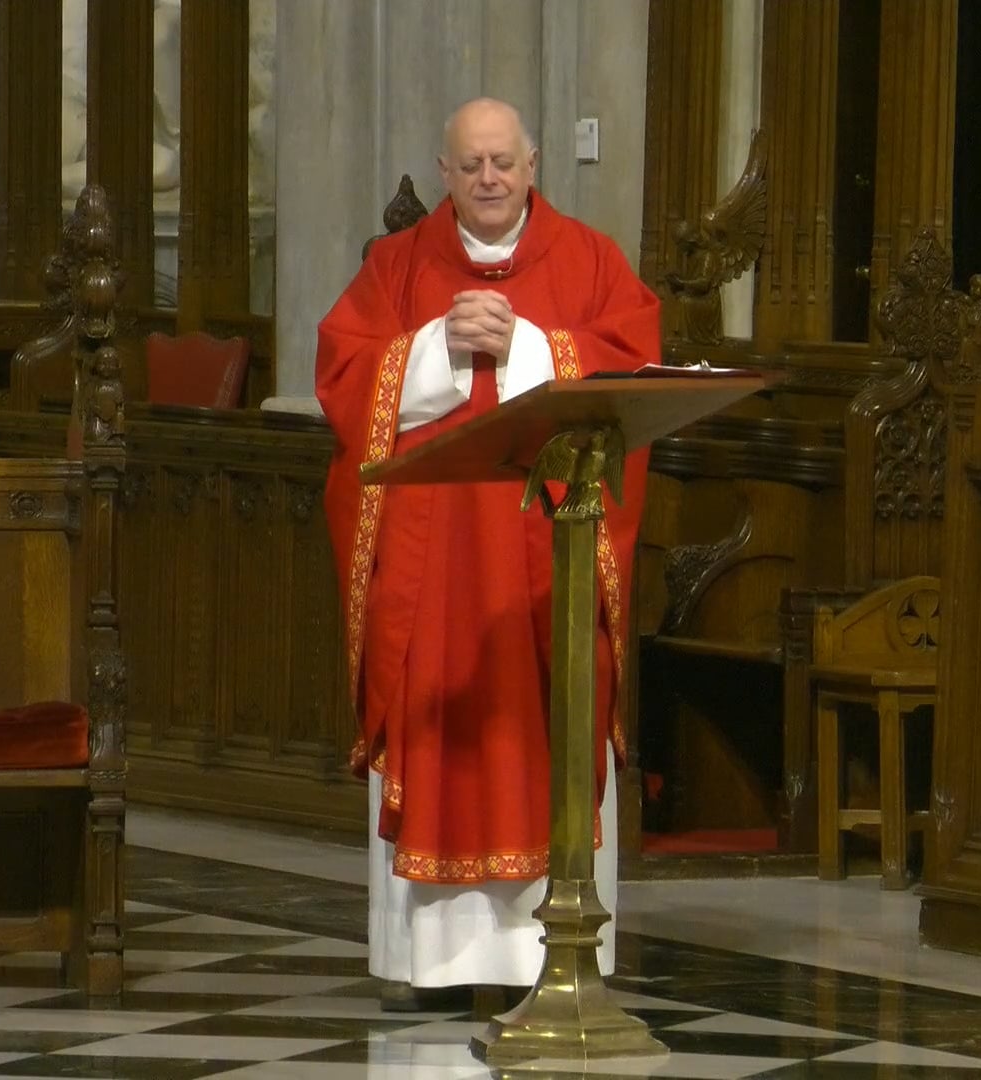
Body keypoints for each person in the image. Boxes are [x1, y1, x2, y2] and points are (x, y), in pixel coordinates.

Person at [315, 98, 661, 1007]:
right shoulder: (397, 267)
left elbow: (634, 365)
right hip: (431, 573)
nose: (489, 180)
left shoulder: (589, 262)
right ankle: (428, 961)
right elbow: (344, 375)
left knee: (547, 718)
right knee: (436, 718)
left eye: (503, 161)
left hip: (548, 553)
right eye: (470, 166)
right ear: (445, 171)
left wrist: (534, 347)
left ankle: (562, 950)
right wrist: (431, 346)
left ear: (534, 163)